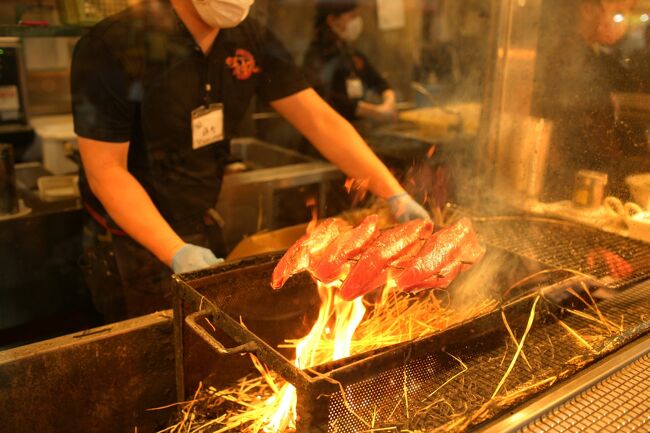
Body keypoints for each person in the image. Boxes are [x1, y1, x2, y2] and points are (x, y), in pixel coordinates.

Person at [71, 0, 429, 322]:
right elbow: (106, 171)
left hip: (198, 223)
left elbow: (320, 120)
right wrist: (174, 250)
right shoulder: (111, 46)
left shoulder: (249, 37)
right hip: (128, 242)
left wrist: (394, 194)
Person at [535, 0, 641, 200]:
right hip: (574, 174)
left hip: (582, 167)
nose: (622, 22)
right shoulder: (570, 55)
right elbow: (580, 125)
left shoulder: (591, 54)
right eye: (617, 13)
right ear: (588, 10)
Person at [302, 0, 397, 123]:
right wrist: (375, 112)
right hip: (330, 129)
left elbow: (378, 82)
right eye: (352, 16)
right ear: (332, 20)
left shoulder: (350, 53)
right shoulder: (317, 56)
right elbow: (327, 99)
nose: (357, 21)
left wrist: (389, 102)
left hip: (355, 127)